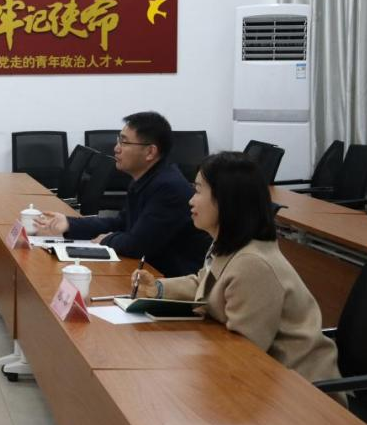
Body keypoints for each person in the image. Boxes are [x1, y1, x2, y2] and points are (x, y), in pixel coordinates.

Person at [130, 152, 341, 388]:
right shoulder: (230, 244)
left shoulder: (253, 264)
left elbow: (244, 351)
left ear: (226, 200)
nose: (191, 200)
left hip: (301, 391)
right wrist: (158, 288)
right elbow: (205, 283)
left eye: (198, 191)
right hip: (266, 379)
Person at [35, 111, 210, 277]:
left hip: (170, 280)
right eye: (119, 141)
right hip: (145, 270)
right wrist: (68, 224)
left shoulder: (168, 187)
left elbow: (137, 244)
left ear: (150, 152)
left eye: (124, 143)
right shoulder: (145, 178)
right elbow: (121, 223)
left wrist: (108, 239)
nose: (116, 148)